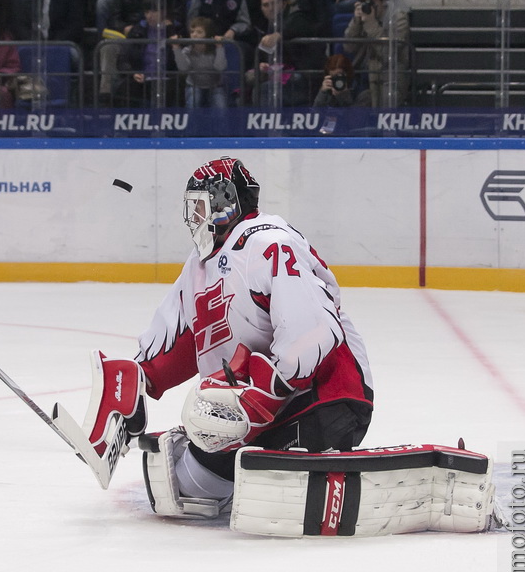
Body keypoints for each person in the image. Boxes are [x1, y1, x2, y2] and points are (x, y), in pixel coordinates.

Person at [121, 157, 373, 519]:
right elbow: (185, 338)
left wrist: (269, 386)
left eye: (200, 207)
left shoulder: (269, 242)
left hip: (323, 398)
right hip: (259, 409)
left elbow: (313, 327)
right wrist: (137, 380)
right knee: (186, 483)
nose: (193, 218)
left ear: (226, 205)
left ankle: (317, 459)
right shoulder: (198, 266)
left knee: (270, 484)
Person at [343, 0, 410, 106]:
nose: (369, 7)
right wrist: (356, 22)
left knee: (386, 102)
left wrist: (371, 23)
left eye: (372, 3)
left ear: (383, 2)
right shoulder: (364, 16)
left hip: (391, 76)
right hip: (366, 75)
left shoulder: (399, 18)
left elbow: (388, 53)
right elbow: (348, 47)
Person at [171, 15, 227, 109]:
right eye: (192, 32)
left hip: (215, 85)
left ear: (208, 34)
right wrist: (176, 49)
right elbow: (183, 68)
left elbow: (220, 67)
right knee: (192, 106)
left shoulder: (214, 50)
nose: (194, 35)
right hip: (194, 85)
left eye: (199, 32)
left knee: (221, 109)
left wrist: (220, 48)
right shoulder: (187, 50)